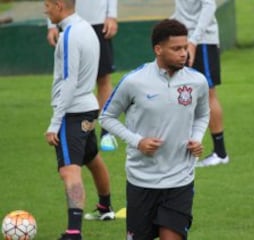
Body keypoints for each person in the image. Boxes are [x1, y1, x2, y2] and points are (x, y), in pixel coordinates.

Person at [99, 19, 210, 240]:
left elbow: (202, 114)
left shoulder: (197, 82)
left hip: (180, 179)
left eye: (185, 47)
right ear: (158, 49)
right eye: (176, 48)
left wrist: (196, 138)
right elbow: (106, 117)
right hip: (142, 180)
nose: (183, 54)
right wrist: (137, 141)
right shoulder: (134, 81)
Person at [44, 1, 116, 239]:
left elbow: (69, 81)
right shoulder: (86, 28)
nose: (45, 11)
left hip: (72, 112)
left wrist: (56, 122)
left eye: (47, 5)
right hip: (88, 108)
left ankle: (74, 231)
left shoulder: (68, 36)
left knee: (69, 170)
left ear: (59, 4)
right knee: (91, 158)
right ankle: (105, 207)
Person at [46, 0, 119, 152]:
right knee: (71, 76)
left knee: (103, 78)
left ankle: (106, 132)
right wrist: (51, 25)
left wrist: (111, 15)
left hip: (98, 20)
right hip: (68, 19)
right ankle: (82, 127)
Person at [172, 0, 229, 167]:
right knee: (186, 95)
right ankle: (188, 150)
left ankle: (220, 153)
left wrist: (194, 40)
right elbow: (183, 11)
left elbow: (209, 6)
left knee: (209, 94)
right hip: (185, 41)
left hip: (202, 42)